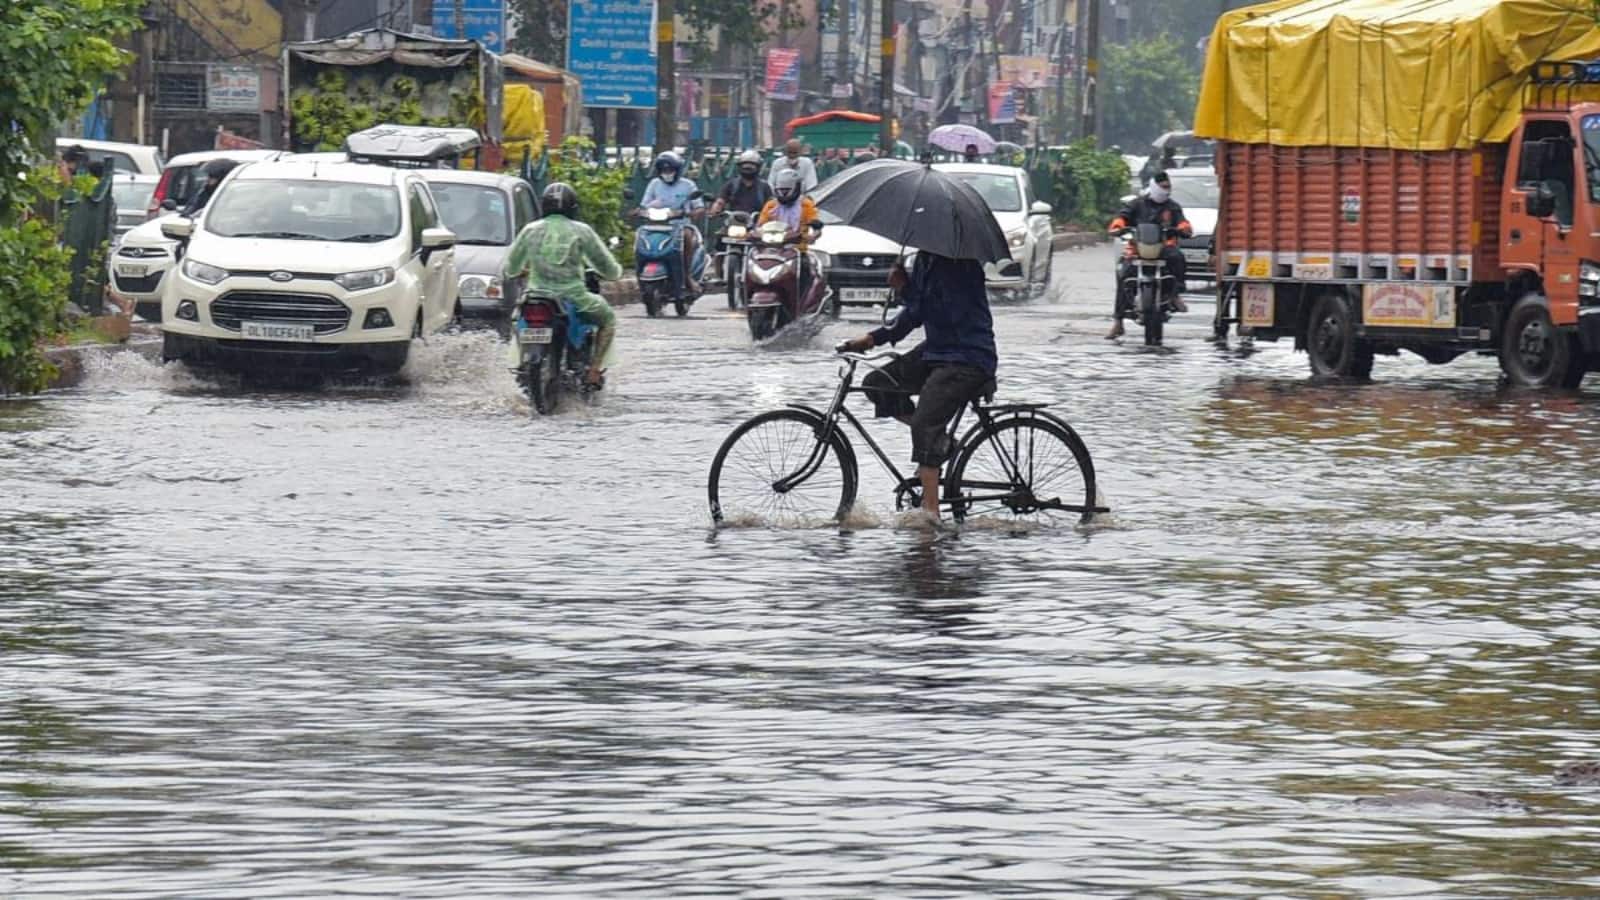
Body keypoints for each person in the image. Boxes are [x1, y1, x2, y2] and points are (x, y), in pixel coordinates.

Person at [839, 252, 997, 527]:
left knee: (924, 424)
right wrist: (872, 339)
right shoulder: (925, 260)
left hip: (967, 357)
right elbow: (912, 316)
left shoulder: (962, 264)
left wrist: (904, 288)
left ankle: (931, 514)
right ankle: (941, 443)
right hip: (937, 351)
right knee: (878, 383)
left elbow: (937, 309)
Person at [503, 182, 623, 389]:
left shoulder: (530, 230)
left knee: (517, 319)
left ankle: (521, 362)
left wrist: (520, 271)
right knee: (608, 319)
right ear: (573, 207)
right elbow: (608, 268)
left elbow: (511, 268)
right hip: (574, 297)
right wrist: (613, 273)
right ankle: (594, 371)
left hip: (535, 296)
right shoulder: (582, 231)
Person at [1105, 169, 1192, 339]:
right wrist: (1118, 226)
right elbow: (1122, 217)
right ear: (1154, 186)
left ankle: (1175, 295)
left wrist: (1184, 228)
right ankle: (1118, 322)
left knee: (1178, 257)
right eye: (1163, 186)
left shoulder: (1172, 206)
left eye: (1168, 187)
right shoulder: (1137, 204)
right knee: (1123, 273)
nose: (1166, 190)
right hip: (1138, 249)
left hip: (1164, 248)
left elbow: (1182, 222)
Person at [635, 150, 705, 299]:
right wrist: (640, 212)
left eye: (670, 170)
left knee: (687, 236)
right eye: (663, 170)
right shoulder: (654, 184)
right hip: (655, 225)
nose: (667, 173)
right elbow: (644, 205)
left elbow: (699, 208)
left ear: (677, 170)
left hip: (680, 225)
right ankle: (640, 276)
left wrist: (688, 213)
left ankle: (687, 276)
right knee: (638, 239)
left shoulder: (688, 185)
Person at [757, 168, 820, 295]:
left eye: (787, 190)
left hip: (797, 250)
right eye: (781, 190)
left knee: (805, 268)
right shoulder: (771, 205)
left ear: (797, 188)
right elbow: (760, 225)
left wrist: (813, 235)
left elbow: (816, 225)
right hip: (771, 250)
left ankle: (801, 299)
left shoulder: (806, 204)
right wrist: (754, 233)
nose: (784, 193)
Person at [709, 149, 772, 219]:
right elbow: (721, 201)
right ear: (740, 167)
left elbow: (771, 206)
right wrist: (715, 209)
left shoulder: (764, 187)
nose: (748, 168)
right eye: (745, 166)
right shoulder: (731, 184)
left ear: (758, 167)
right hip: (733, 222)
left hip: (757, 224)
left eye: (752, 166)